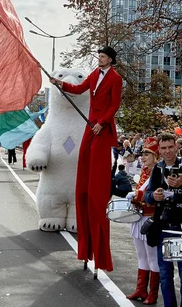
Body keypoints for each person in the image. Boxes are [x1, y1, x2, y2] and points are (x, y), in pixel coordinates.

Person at [50, 45, 122, 273]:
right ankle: (84, 248)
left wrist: (103, 123)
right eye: (98, 55)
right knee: (83, 170)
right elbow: (79, 88)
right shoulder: (94, 74)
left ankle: (99, 252)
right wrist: (60, 84)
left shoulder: (116, 79)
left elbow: (114, 104)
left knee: (96, 185)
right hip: (90, 126)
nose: (98, 58)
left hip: (102, 127)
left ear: (109, 59)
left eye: (101, 56)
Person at [144, 132, 182, 307]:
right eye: (163, 148)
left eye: (171, 147)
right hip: (163, 227)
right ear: (159, 150)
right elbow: (147, 195)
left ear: (177, 146)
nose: (168, 151)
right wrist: (153, 197)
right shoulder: (157, 168)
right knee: (165, 276)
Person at [125, 137, 160, 304]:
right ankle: (140, 289)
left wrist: (136, 195)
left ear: (156, 155)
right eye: (143, 153)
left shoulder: (159, 172)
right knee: (141, 256)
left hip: (151, 218)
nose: (143, 156)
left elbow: (155, 197)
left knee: (153, 257)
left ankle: (153, 293)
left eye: (148, 153)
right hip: (139, 216)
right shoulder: (145, 171)